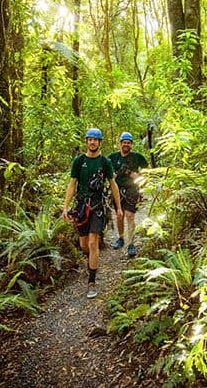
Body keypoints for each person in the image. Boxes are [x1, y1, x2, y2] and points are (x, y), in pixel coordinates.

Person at [62, 128, 123, 298]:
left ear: (100, 142)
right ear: (86, 141)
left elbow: (113, 185)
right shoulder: (79, 161)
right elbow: (72, 184)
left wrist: (118, 208)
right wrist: (65, 206)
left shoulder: (105, 162)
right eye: (90, 139)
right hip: (81, 207)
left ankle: (92, 281)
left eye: (95, 140)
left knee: (92, 243)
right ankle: (92, 261)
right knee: (84, 245)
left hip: (97, 207)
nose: (92, 142)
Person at [108, 131, 148, 258]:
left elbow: (148, 172)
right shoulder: (112, 158)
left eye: (128, 143)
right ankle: (121, 238)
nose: (126, 145)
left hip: (132, 190)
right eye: (124, 142)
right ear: (120, 144)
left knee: (130, 216)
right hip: (117, 190)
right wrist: (117, 173)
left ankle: (131, 244)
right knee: (120, 215)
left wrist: (134, 175)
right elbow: (108, 174)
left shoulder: (137, 157)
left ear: (131, 144)